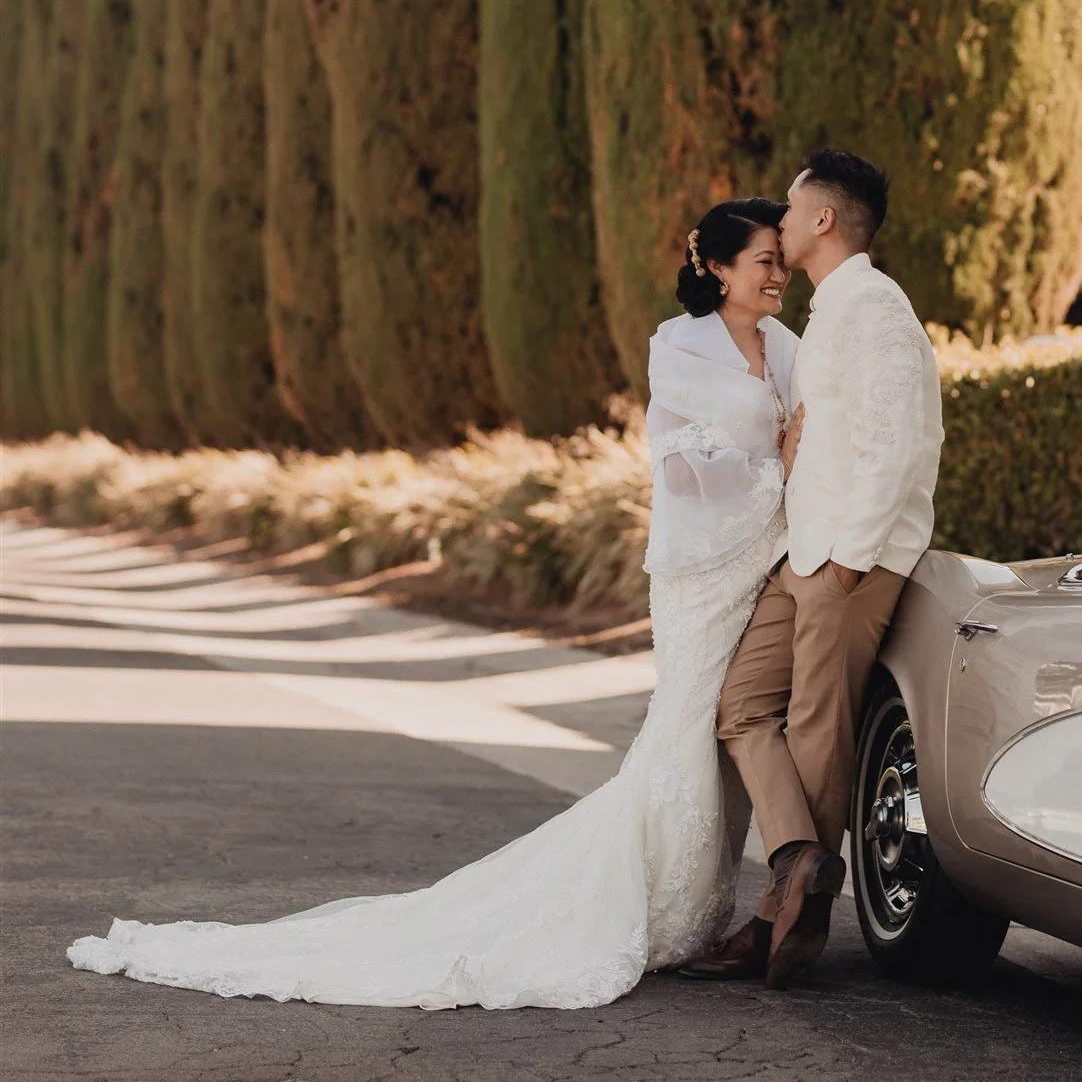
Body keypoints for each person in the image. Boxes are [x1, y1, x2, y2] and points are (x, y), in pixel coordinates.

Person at [68, 201, 800, 1011]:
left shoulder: (786, 348)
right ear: (721, 269)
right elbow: (682, 467)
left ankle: (693, 904)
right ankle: (649, 905)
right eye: (765, 258)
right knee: (684, 724)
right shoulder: (681, 345)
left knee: (724, 725)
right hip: (700, 568)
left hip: (762, 560)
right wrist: (776, 466)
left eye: (780, 258)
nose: (778, 273)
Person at [683, 148, 944, 990]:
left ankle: (776, 925)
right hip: (807, 549)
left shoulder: (876, 308)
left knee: (819, 729)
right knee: (741, 708)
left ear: (823, 220)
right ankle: (799, 857)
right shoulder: (833, 308)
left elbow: (905, 446)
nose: (781, 225)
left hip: (847, 560)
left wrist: (847, 562)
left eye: (791, 213)